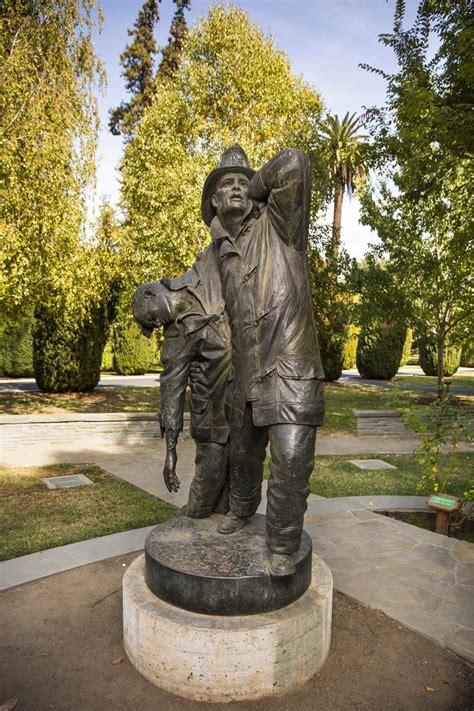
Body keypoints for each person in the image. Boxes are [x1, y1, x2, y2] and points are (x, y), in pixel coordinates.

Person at [199, 144, 325, 576]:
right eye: (224, 185)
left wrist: (253, 188)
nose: (234, 188)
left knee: (291, 459)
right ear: (213, 202)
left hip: (290, 364)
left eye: (241, 181)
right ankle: (240, 508)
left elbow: (294, 163)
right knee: (244, 455)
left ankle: (283, 544)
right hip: (246, 369)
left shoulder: (279, 222)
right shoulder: (216, 253)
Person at [132, 252, 232, 518]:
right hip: (211, 406)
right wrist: (170, 452)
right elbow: (171, 392)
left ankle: (228, 518)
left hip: (244, 391)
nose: (155, 323)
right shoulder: (174, 338)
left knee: (243, 469)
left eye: (149, 317)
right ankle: (194, 522)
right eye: (150, 325)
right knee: (210, 470)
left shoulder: (206, 268)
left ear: (151, 295)